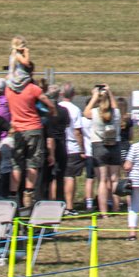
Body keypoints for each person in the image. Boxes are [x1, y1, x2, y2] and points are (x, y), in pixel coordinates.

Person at [6, 60, 56, 208]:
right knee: (32, 163)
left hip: (17, 130)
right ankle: (28, 194)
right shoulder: (33, 88)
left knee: (16, 165)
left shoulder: (9, 89)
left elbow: (8, 75)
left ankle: (13, 195)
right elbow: (48, 103)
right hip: (33, 128)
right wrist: (52, 111)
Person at [83, 85, 122, 214]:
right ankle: (116, 208)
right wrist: (109, 92)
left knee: (102, 180)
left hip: (99, 146)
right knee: (115, 179)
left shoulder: (95, 113)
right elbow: (116, 106)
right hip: (114, 145)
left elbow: (85, 112)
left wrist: (94, 96)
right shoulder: (115, 113)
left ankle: (104, 211)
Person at [57, 85, 85, 215]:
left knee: (58, 177)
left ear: (62, 94)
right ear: (73, 95)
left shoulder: (57, 108)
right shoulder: (75, 110)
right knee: (70, 177)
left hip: (59, 145)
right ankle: (69, 206)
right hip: (72, 146)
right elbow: (77, 131)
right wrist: (82, 148)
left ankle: (57, 203)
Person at [42, 84, 71, 202]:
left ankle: (44, 199)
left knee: (45, 175)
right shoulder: (64, 111)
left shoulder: (45, 111)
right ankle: (60, 199)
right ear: (59, 96)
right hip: (61, 143)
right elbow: (67, 124)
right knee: (60, 175)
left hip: (46, 144)